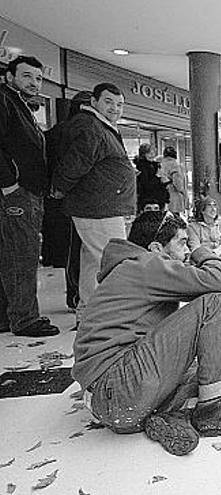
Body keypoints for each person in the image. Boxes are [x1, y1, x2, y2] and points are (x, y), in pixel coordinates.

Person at [72, 211, 221, 456]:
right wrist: (201, 251)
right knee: (214, 304)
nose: (186, 250)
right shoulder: (145, 264)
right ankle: (211, 412)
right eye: (182, 242)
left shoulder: (134, 267)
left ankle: (168, 416)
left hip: (114, 402)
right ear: (157, 247)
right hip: (119, 385)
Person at [52, 82, 136, 325]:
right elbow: (73, 165)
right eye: (109, 102)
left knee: (93, 260)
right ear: (94, 101)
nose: (115, 108)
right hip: (98, 208)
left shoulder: (100, 127)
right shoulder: (91, 128)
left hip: (100, 206)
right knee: (112, 261)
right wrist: (59, 190)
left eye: (119, 104)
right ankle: (111, 318)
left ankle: (89, 313)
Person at [0, 55, 59, 337]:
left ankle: (8, 316)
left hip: (26, 192)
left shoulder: (21, 105)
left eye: (37, 78)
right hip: (17, 194)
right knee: (22, 255)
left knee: (12, 253)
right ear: (10, 76)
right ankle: (25, 319)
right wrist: (9, 185)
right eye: (26, 76)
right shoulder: (4, 100)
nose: (34, 83)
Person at [45, 90, 92, 313]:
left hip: (66, 201)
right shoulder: (79, 131)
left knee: (76, 250)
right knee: (79, 250)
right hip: (76, 201)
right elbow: (74, 165)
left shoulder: (58, 131)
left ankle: (78, 296)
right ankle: (78, 297)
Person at [187, 197, 221, 265]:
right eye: (209, 206)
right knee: (194, 258)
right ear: (202, 210)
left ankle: (213, 265)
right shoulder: (192, 227)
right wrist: (207, 255)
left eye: (214, 206)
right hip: (203, 256)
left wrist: (216, 252)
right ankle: (218, 265)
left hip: (220, 254)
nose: (213, 209)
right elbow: (195, 246)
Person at [134, 143, 168, 212]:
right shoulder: (142, 166)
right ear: (143, 154)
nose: (152, 155)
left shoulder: (154, 165)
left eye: (153, 153)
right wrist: (157, 176)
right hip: (148, 199)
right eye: (149, 153)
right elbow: (146, 184)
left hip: (157, 197)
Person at [159, 146, 188, 217]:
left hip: (162, 195)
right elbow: (178, 183)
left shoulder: (160, 164)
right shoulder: (175, 165)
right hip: (173, 196)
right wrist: (184, 193)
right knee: (174, 218)